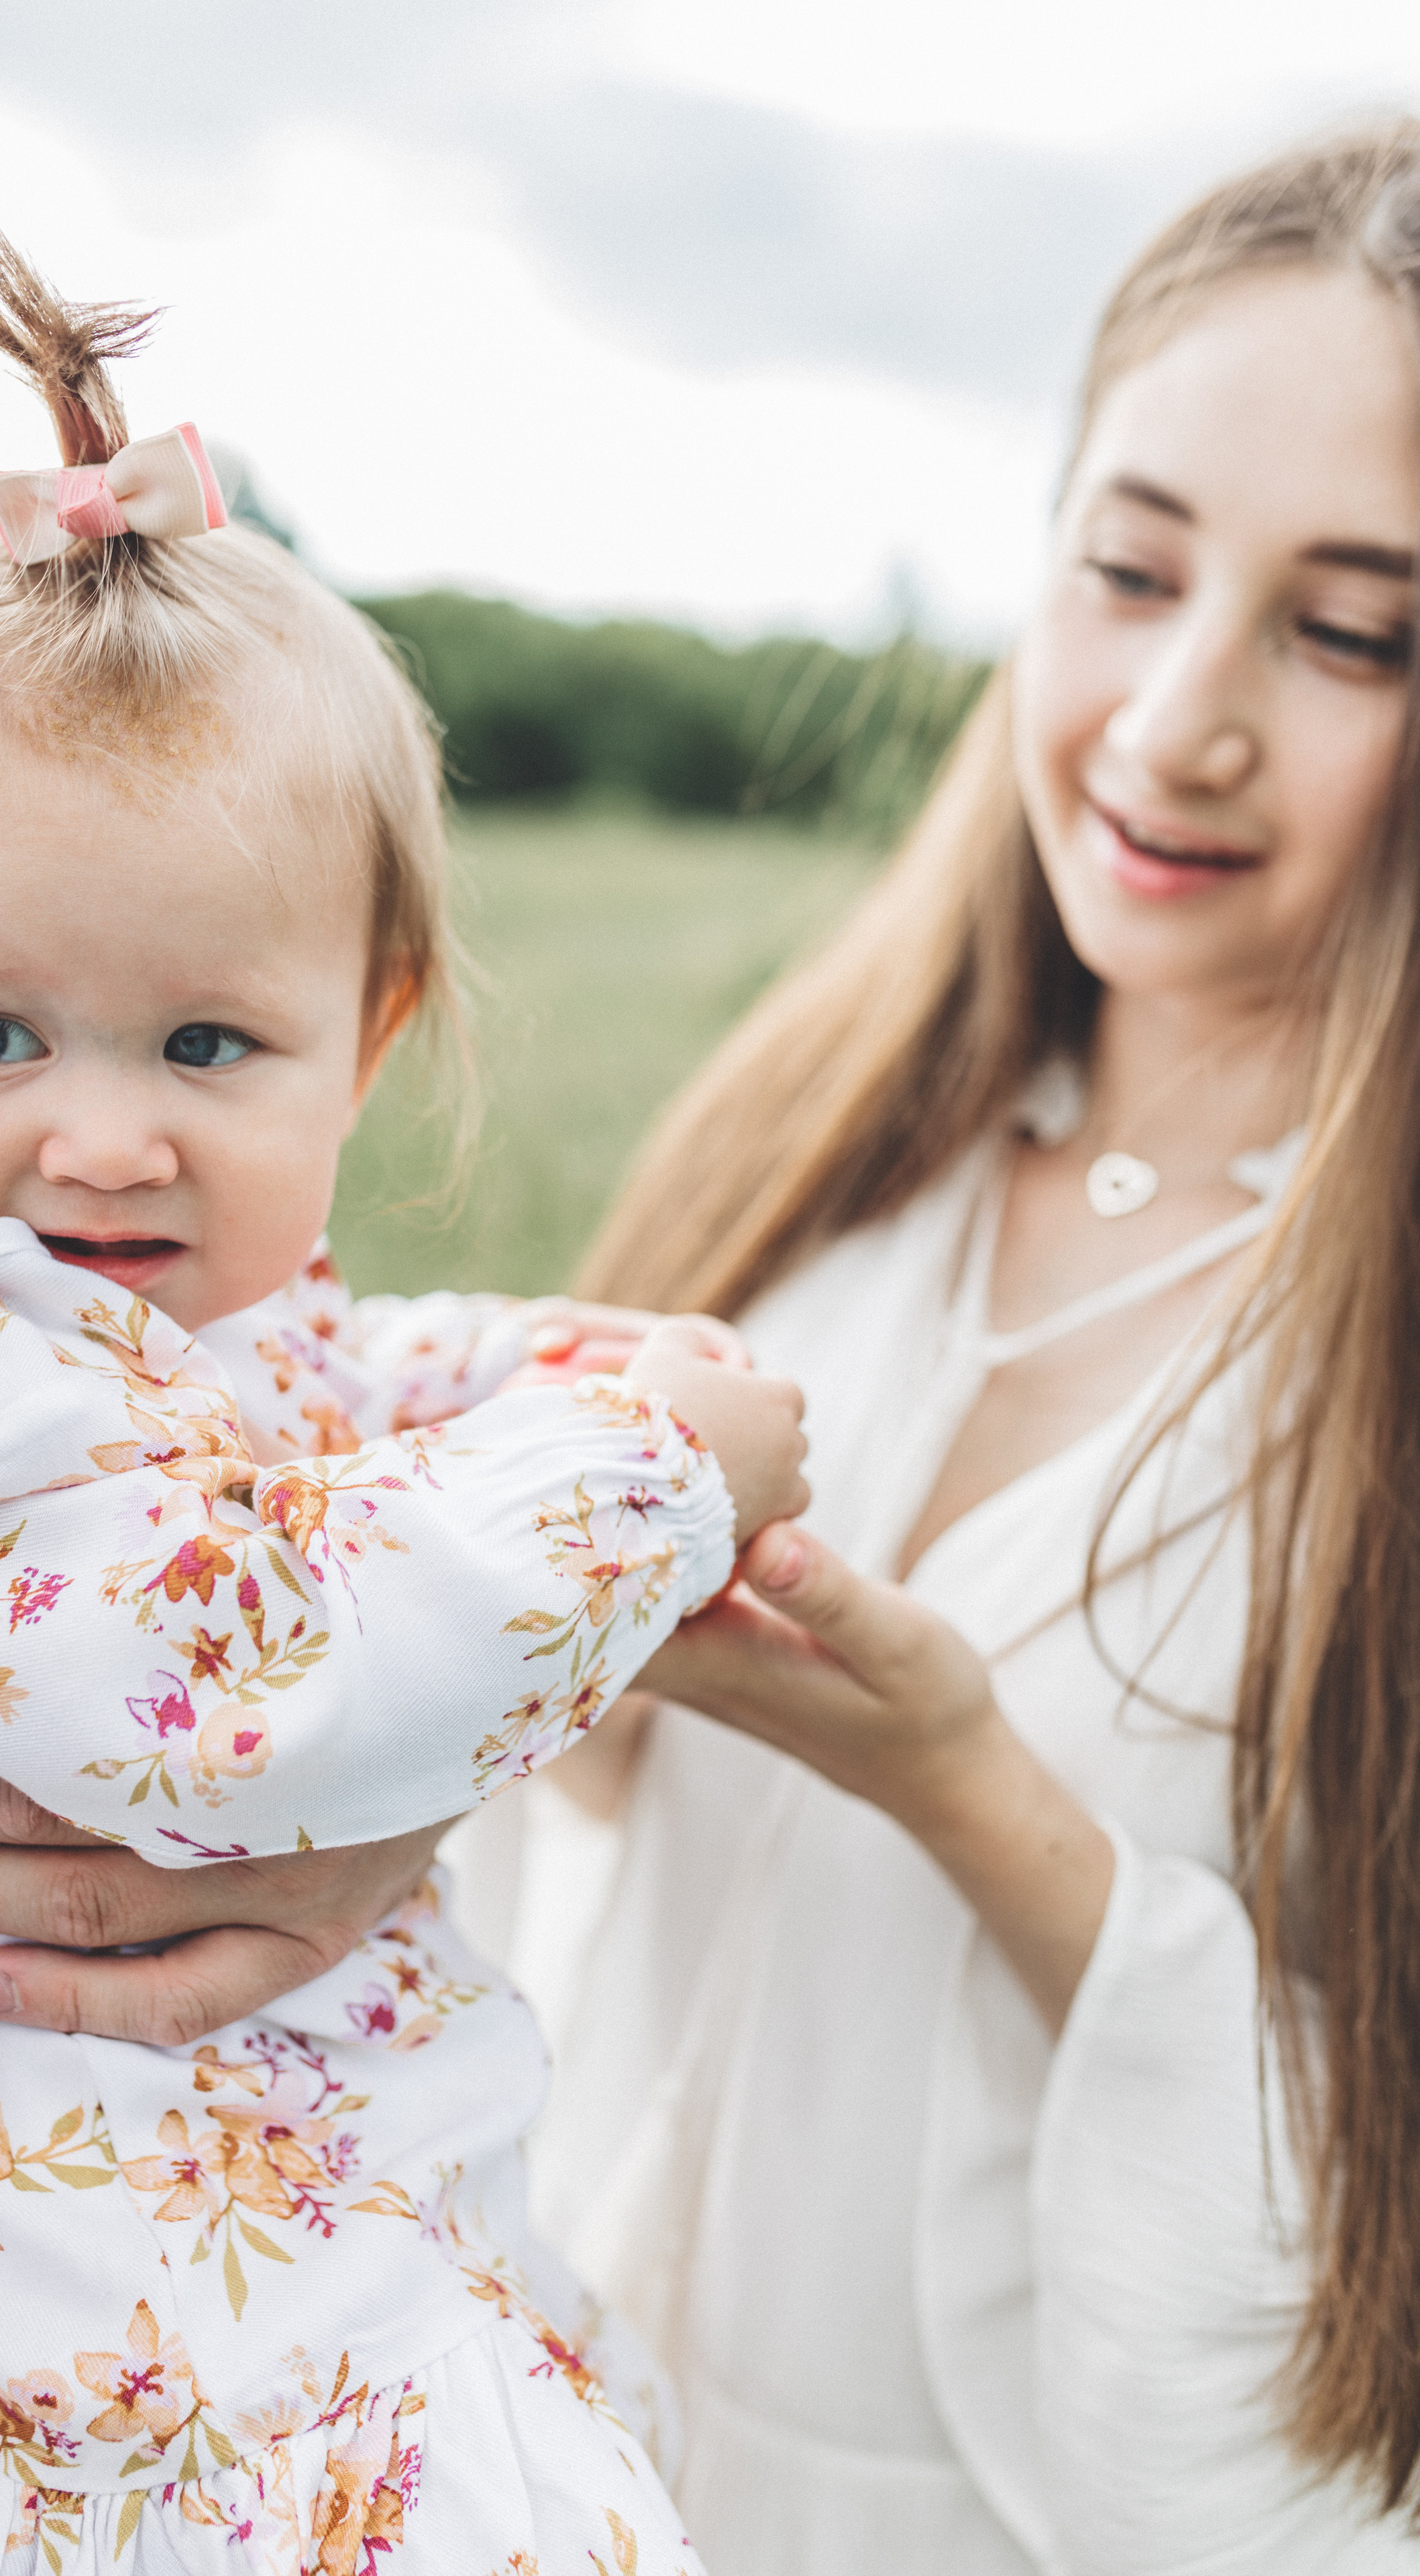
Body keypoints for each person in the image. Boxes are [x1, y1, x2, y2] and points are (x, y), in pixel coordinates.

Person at [0, 235, 808, 2571]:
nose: (103, 1136)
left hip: (344, 2298)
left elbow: (368, 1382)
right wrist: (670, 1466)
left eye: (208, 1045)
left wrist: (590, 1369)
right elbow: (247, 1684)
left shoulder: (199, 1330)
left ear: (369, 1032)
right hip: (98, 2385)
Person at [437, 118, 1420, 2573]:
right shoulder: (822, 1156)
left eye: (1353, 630)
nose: (1176, 718)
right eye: (1130, 568)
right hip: (548, 2474)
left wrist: (968, 1782)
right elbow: (557, 1856)